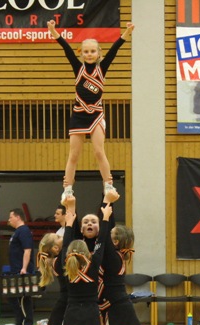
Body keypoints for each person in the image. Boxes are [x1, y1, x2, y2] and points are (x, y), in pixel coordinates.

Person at [47, 20, 135, 202]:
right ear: (81, 54)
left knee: (99, 151)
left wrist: (127, 32)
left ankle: (108, 185)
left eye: (93, 51)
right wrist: (54, 31)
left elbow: (115, 49)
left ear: (98, 53)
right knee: (74, 155)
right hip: (79, 114)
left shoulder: (102, 68)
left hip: (96, 114)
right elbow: (66, 48)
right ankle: (68, 189)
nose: (89, 54)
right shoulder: (78, 68)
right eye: (86, 51)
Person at [7, 208, 35, 325]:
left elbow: (27, 250)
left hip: (22, 270)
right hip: (16, 269)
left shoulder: (23, 231)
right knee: (14, 297)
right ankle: (22, 322)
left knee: (24, 298)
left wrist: (24, 268)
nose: (9, 220)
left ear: (18, 217)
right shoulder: (17, 232)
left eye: (11, 217)